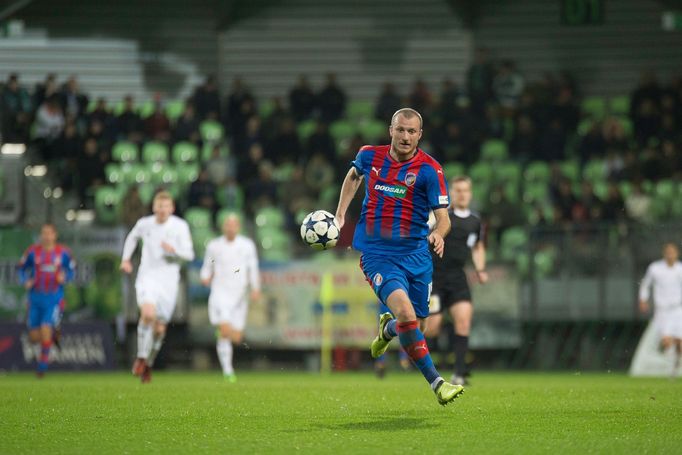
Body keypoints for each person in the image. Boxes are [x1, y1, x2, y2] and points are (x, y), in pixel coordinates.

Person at [334, 107, 464, 405]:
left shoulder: (431, 170)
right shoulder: (370, 156)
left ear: (420, 135)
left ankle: (387, 329)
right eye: (400, 129)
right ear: (390, 129)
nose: (405, 136)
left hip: (417, 256)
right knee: (406, 315)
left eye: (411, 131)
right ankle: (438, 384)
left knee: (416, 326)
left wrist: (438, 235)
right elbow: (354, 175)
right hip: (377, 254)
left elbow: (444, 220)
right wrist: (340, 215)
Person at [120, 191, 195, 383]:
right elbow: (132, 238)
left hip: (168, 283)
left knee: (160, 330)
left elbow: (189, 255)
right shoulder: (145, 224)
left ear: (172, 208)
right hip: (148, 277)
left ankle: (148, 363)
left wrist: (174, 250)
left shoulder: (180, 226)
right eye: (159, 206)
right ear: (154, 207)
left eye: (165, 206)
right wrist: (126, 259)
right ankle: (141, 357)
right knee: (147, 314)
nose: (162, 210)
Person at [425, 176, 487, 386]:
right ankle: (415, 354)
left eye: (465, 191)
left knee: (463, 322)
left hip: (458, 278)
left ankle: (459, 373)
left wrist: (480, 269)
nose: (462, 194)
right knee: (432, 327)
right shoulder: (441, 218)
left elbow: (477, 247)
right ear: (451, 192)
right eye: (458, 190)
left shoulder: (475, 222)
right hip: (436, 278)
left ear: (470, 193)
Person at [200, 215, 261, 382]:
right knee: (225, 332)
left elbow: (252, 267)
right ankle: (228, 371)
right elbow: (208, 264)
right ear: (223, 227)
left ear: (238, 227)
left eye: (233, 225)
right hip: (220, 292)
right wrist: (205, 276)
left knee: (236, 337)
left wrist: (255, 288)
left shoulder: (247, 246)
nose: (230, 228)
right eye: (227, 224)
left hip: (240, 295)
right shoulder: (214, 246)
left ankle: (222, 333)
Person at [18, 223, 75, 377]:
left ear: (55, 235)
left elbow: (71, 271)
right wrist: (25, 281)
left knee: (45, 328)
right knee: (34, 337)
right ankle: (54, 335)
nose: (46, 236)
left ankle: (41, 368)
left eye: (49, 233)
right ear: (41, 235)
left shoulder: (63, 253)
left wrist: (65, 277)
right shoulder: (32, 252)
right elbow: (21, 268)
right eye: (44, 233)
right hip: (35, 298)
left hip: (54, 298)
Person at [638, 242, 682, 375]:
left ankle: (676, 362)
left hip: (678, 309)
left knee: (680, 342)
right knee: (667, 341)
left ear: (677, 253)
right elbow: (645, 284)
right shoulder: (655, 268)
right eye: (668, 252)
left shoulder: (680, 269)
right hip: (662, 310)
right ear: (664, 254)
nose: (670, 255)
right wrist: (643, 299)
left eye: (672, 252)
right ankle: (672, 367)